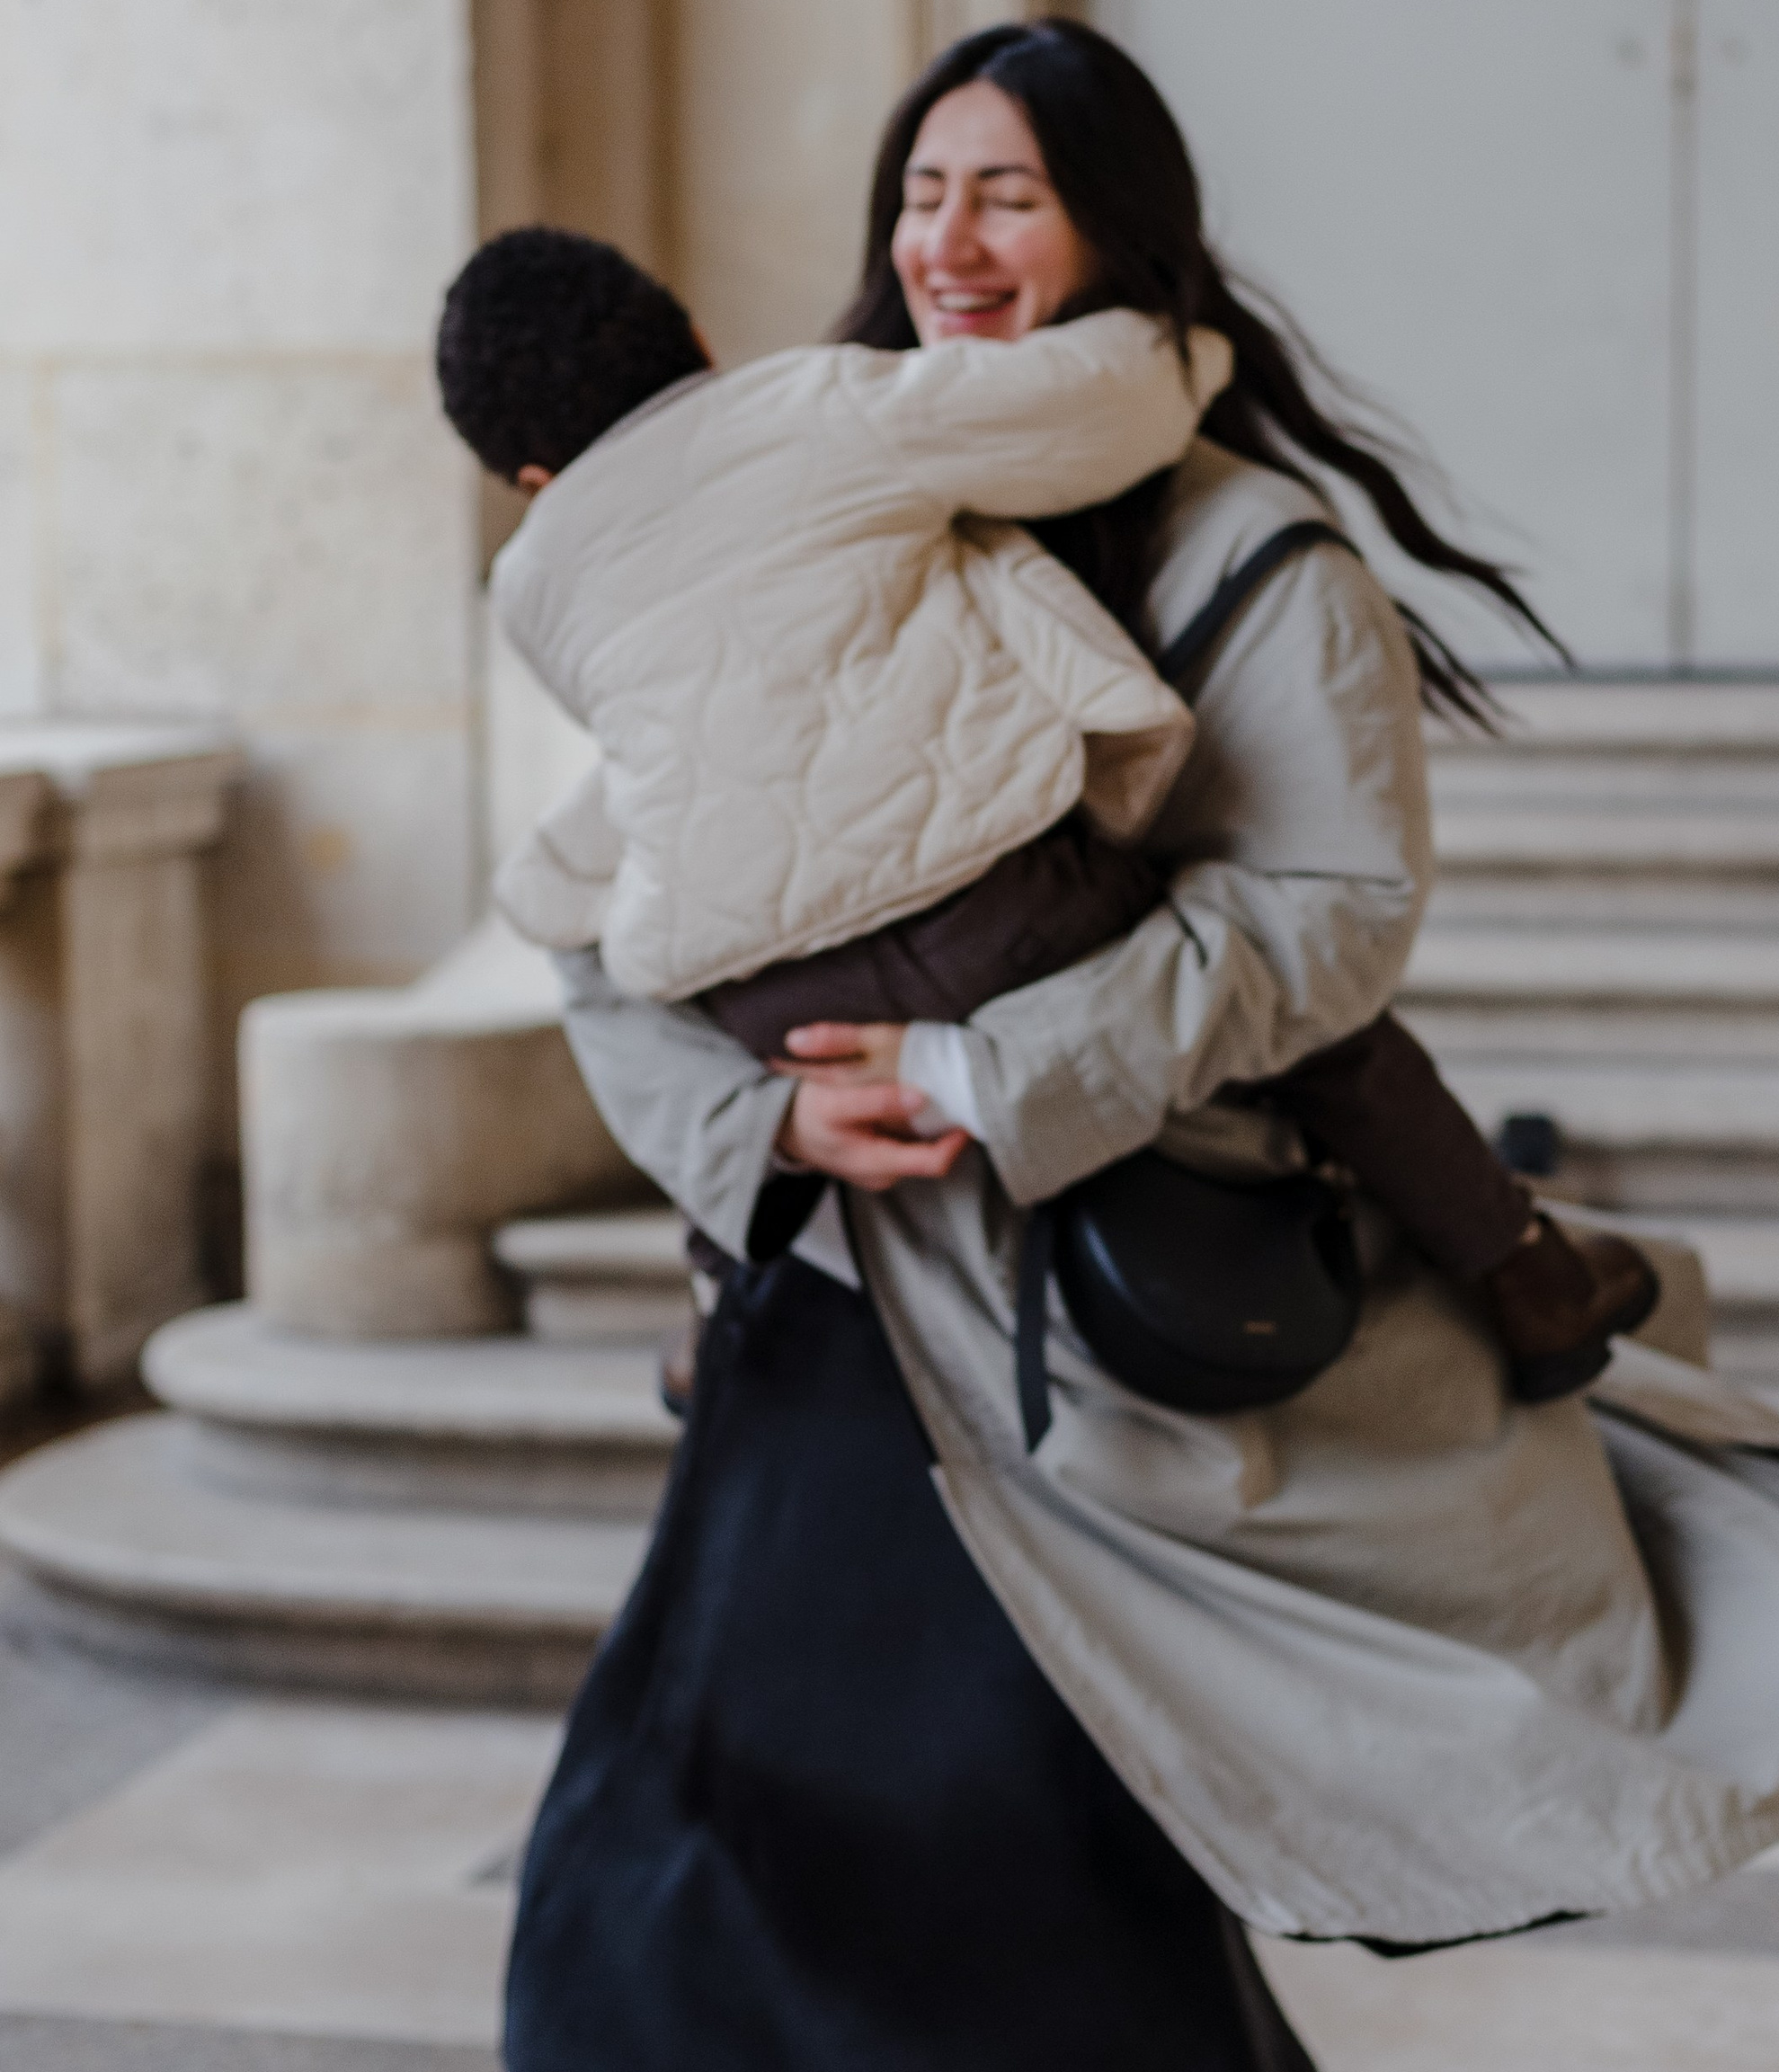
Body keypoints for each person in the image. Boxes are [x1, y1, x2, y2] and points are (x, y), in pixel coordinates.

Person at [498, 19, 1779, 2072]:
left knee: (1060, 1811)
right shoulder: (801, 506)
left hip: (1100, 1304)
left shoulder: (1249, 561)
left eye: (1015, 200)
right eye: (925, 193)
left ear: (1119, 240)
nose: (952, 245)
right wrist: (771, 1116)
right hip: (838, 1306)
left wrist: (986, 1074)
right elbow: (604, 919)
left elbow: (1324, 924)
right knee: (795, 1798)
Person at [435, 227, 1661, 1405]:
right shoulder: (815, 403)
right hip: (1004, 910)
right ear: (699, 338)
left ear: (531, 483)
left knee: (708, 1050)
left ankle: (716, 1307)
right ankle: (1522, 1269)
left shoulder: (532, 586)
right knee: (1328, 1042)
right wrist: (1182, 338)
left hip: (770, 994)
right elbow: (1091, 409)